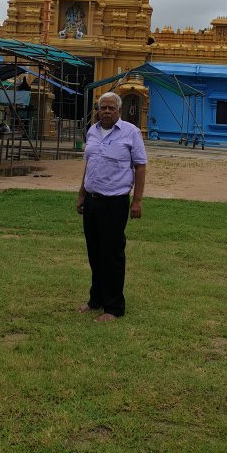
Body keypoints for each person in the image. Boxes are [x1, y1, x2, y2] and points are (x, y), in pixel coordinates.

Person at [76, 92, 147, 322]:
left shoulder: (131, 133)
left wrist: (137, 200)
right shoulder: (92, 131)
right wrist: (81, 194)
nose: (106, 111)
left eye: (111, 108)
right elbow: (90, 164)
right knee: (94, 252)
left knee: (112, 254)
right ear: (97, 110)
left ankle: (114, 307)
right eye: (103, 107)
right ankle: (95, 299)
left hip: (115, 202)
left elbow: (140, 166)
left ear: (119, 110)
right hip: (92, 201)